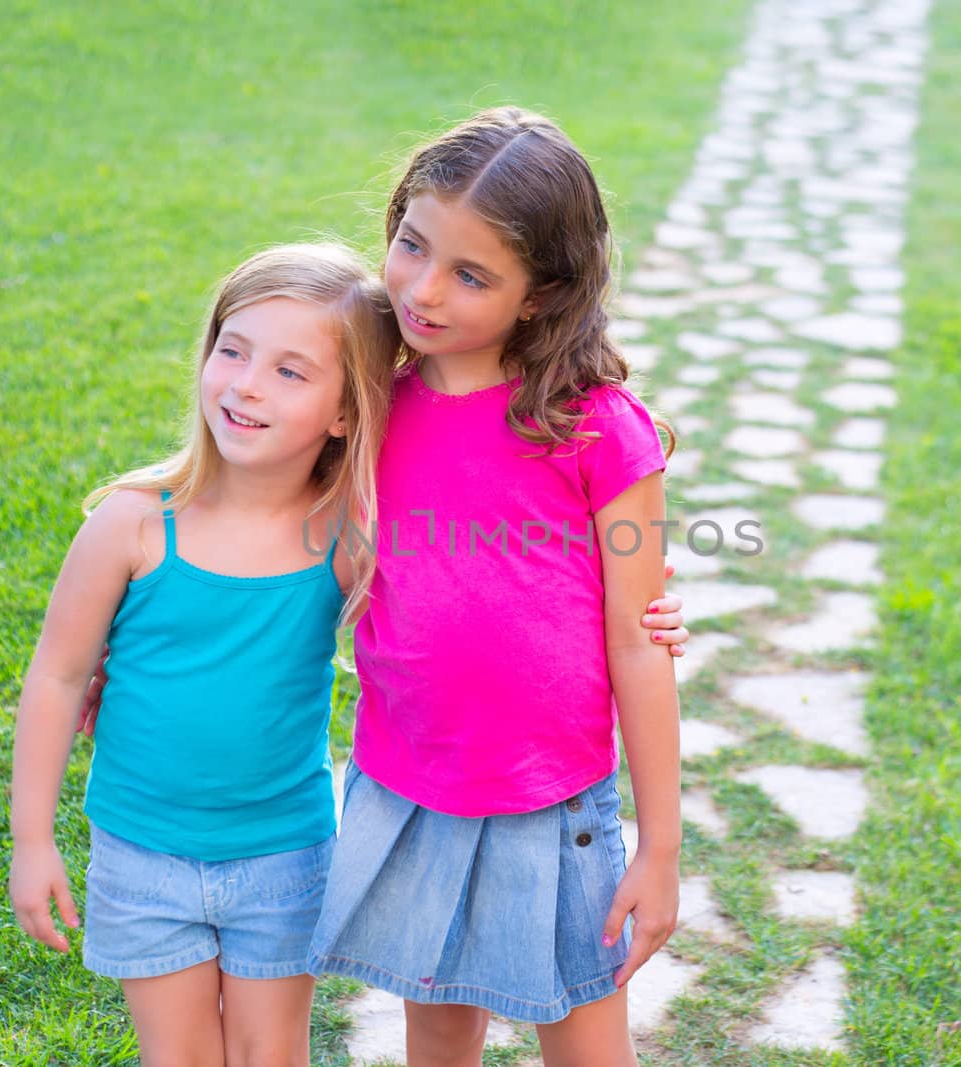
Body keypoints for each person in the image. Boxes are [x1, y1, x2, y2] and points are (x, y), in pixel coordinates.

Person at [8, 243, 689, 1066]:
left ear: (343, 412)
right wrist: (34, 832)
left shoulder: (346, 531)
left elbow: (494, 569)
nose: (248, 383)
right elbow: (57, 670)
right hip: (144, 847)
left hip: (287, 847)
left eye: (291, 371)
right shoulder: (136, 521)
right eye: (232, 349)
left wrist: (636, 592)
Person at [307, 108, 683, 1067]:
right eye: (412, 245)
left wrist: (661, 851)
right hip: (411, 777)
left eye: (471, 275)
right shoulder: (371, 395)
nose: (424, 290)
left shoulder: (597, 428)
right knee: (436, 1026)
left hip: (550, 797)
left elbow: (638, 637)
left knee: (585, 1032)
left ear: (541, 293)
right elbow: (259, 513)